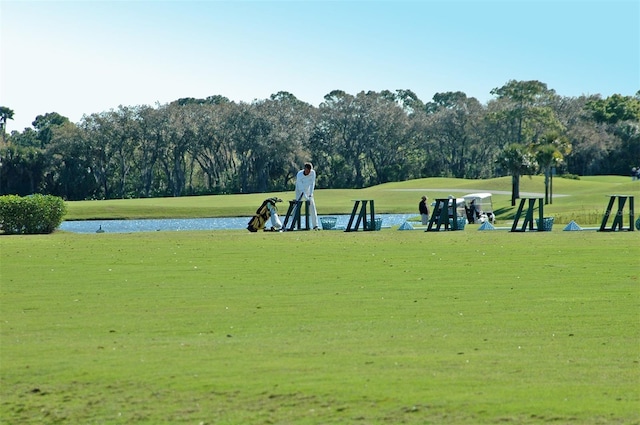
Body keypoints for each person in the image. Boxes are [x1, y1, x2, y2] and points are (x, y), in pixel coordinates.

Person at [295, 162, 319, 230]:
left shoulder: (313, 173)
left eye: (309, 171)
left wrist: (311, 194)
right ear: (304, 169)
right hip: (299, 191)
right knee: (297, 207)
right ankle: (295, 225)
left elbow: (312, 183)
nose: (308, 172)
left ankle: (315, 225)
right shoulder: (299, 175)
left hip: (308, 190)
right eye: (307, 171)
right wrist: (305, 197)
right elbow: (301, 188)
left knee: (312, 206)